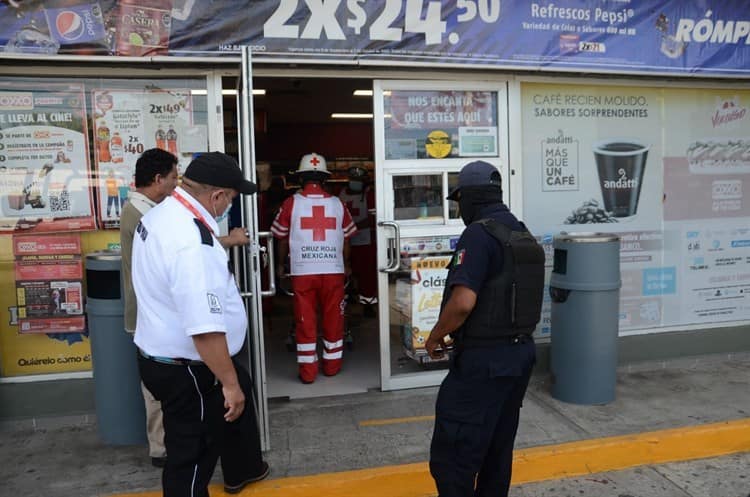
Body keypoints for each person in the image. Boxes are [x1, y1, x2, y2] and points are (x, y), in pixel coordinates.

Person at [132, 152, 268, 497]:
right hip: (189, 369)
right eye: (231, 199)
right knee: (192, 463)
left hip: (160, 356)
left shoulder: (161, 214)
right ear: (218, 195)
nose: (227, 208)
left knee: (186, 450)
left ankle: (245, 467)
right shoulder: (193, 242)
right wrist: (229, 383)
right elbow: (204, 328)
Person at [426, 160, 545, 497]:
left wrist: (435, 335)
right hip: (519, 356)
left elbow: (463, 302)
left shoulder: (478, 234)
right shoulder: (521, 232)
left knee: (454, 455)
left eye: (458, 200)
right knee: (497, 449)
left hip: (484, 361)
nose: (459, 208)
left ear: (470, 197)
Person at [271, 152, 357, 384]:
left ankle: (308, 373)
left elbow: (280, 237)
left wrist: (280, 266)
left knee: (305, 321)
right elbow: (347, 237)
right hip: (333, 270)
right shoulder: (338, 204)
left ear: (301, 178)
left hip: (302, 272)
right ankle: (331, 367)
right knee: (333, 318)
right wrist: (347, 265)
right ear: (324, 179)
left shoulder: (290, 203)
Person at [119, 148, 179, 468]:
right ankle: (161, 447)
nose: (175, 185)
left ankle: (164, 443)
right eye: (172, 178)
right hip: (150, 314)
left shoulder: (141, 209)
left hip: (149, 312)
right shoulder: (144, 216)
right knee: (156, 386)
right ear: (157, 179)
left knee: (158, 383)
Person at [337, 165, 378, 317]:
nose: (356, 182)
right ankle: (344, 302)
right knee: (343, 272)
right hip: (343, 241)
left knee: (367, 274)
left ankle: (368, 304)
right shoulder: (340, 194)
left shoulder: (370, 195)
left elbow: (374, 219)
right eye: (353, 179)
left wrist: (351, 227)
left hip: (365, 241)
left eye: (359, 180)